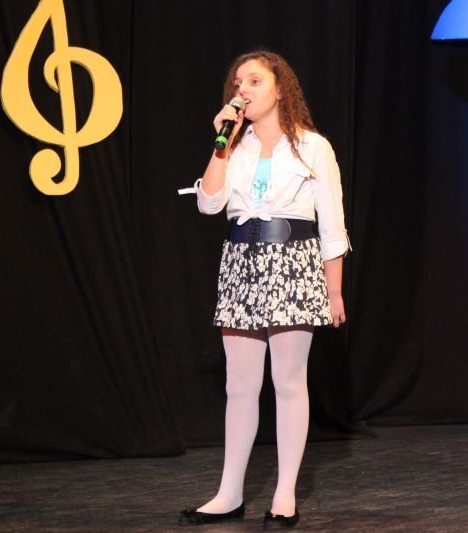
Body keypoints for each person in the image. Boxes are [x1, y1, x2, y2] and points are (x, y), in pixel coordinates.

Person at [177, 50, 350, 529]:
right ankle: (229, 493)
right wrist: (222, 143)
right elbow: (209, 205)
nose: (243, 89)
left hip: (292, 262)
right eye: (238, 83)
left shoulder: (314, 147)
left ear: (280, 88)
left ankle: (285, 493)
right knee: (238, 386)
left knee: (288, 382)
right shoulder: (235, 147)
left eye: (254, 80)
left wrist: (334, 290)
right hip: (241, 264)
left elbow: (332, 225)